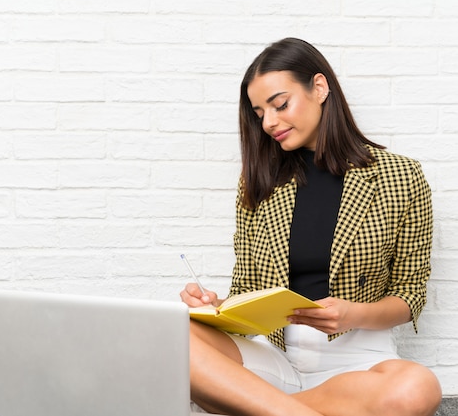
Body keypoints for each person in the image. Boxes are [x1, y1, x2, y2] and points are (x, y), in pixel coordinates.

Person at [180, 38, 442, 416]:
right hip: (273, 357)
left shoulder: (400, 176)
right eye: (259, 113)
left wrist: (351, 314)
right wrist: (216, 307)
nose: (269, 122)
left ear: (319, 88)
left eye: (280, 104)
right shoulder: (258, 182)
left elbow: (409, 295)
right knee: (174, 335)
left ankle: (254, 407)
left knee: (416, 389)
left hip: (358, 361)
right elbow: (248, 293)